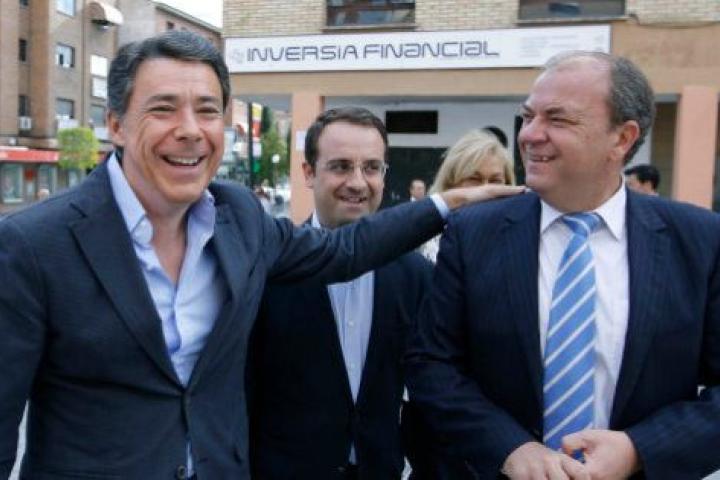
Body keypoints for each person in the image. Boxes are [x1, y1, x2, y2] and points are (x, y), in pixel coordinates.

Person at [0, 32, 522, 479]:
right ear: (115, 123)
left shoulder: (240, 219)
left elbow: (346, 250)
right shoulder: (33, 244)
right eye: (163, 108)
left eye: (207, 110)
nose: (190, 129)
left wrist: (448, 203)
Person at [405, 51, 720, 480]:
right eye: (528, 116)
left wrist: (639, 449)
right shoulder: (474, 233)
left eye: (557, 119)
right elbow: (431, 365)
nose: (529, 134)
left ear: (622, 138)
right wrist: (509, 448)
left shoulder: (700, 241)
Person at [248, 107, 432, 479]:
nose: (358, 183)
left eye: (372, 168)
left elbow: (429, 385)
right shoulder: (269, 269)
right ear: (308, 173)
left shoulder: (416, 275)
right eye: (341, 166)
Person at [419, 129, 515, 262]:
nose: (486, 189)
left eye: (495, 181)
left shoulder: (517, 238)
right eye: (474, 179)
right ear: (451, 183)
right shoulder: (431, 242)